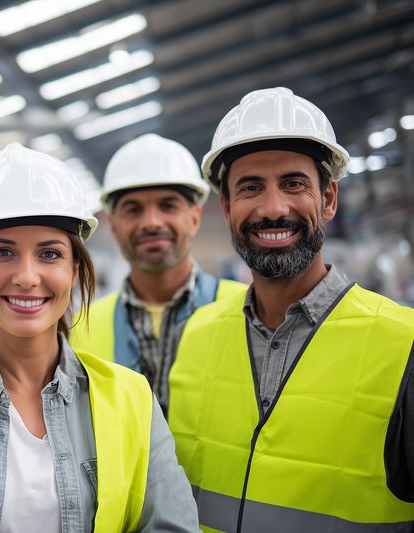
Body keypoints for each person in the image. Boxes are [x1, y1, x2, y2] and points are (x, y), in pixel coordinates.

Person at [0, 143, 198, 532]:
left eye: (49, 254)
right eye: (2, 252)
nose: (27, 276)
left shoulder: (133, 399)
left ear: (75, 269)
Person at [168, 87, 414, 531]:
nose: (273, 208)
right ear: (226, 208)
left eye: (294, 183)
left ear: (329, 199)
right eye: (250, 187)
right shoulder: (196, 335)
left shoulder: (404, 345)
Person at [71, 133, 244, 413]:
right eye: (133, 209)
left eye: (168, 206)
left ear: (195, 217)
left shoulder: (249, 310)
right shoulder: (80, 328)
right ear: (113, 225)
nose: (151, 222)